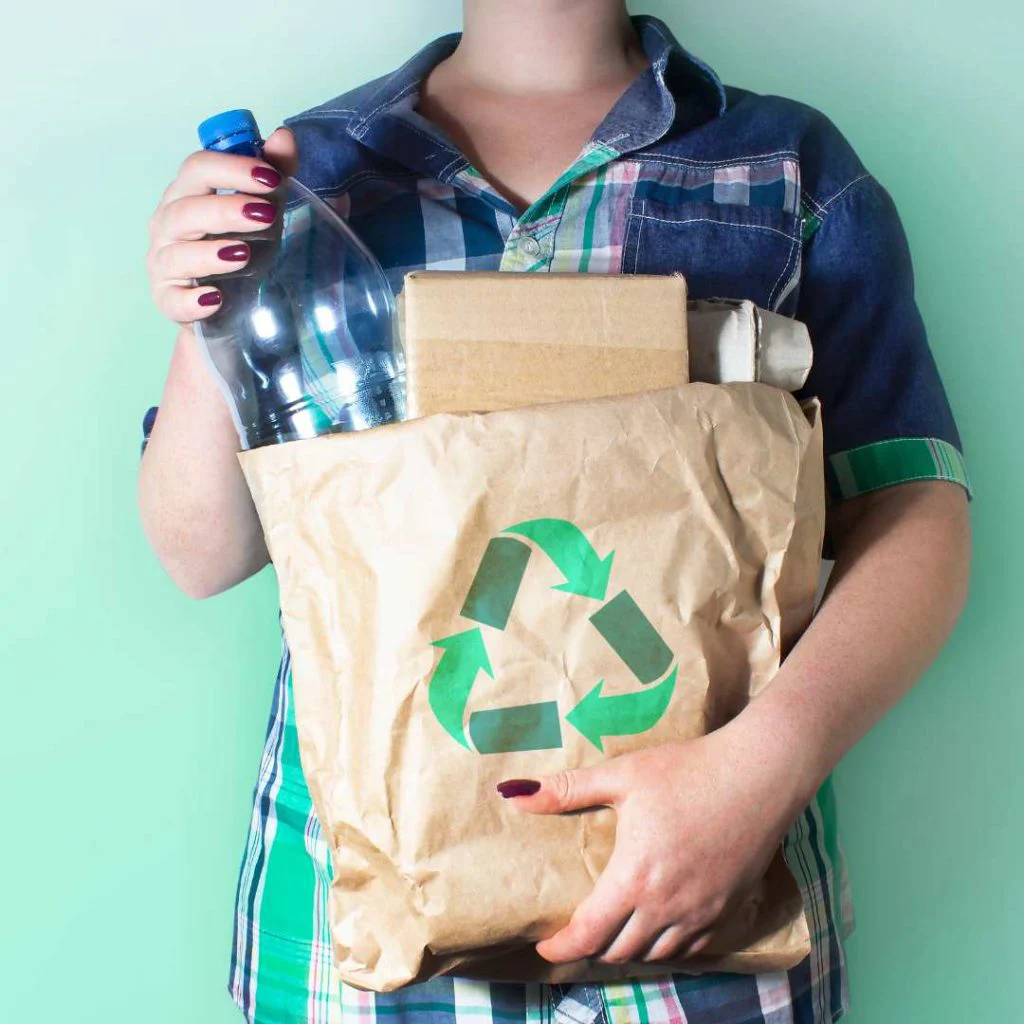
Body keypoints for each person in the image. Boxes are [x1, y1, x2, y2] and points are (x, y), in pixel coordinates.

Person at [138, 2, 972, 1022]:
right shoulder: (302, 181)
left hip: (703, 934)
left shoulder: (784, 168)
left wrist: (761, 771)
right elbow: (204, 553)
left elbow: (913, 510)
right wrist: (201, 318)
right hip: (357, 930)